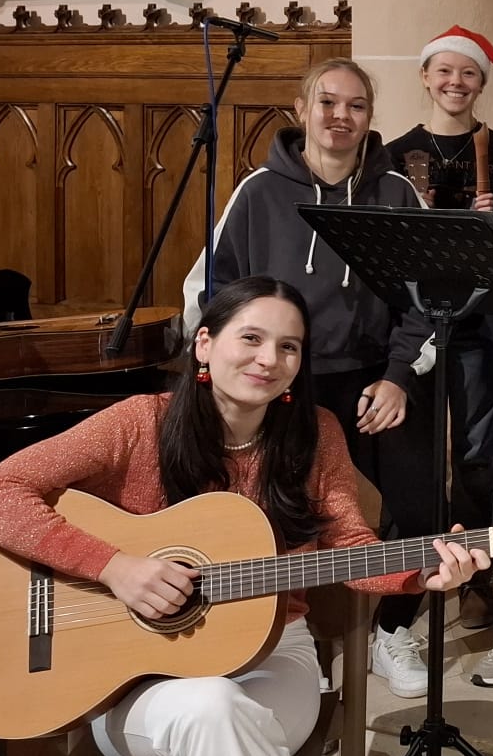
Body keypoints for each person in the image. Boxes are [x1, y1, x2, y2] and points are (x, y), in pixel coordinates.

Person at [0, 276, 486, 756]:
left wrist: (423, 572)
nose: (270, 359)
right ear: (205, 343)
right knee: (208, 707)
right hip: (134, 693)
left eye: (289, 347)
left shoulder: (314, 435)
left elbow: (352, 551)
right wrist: (113, 565)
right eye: (252, 338)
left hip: (274, 661)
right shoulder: (137, 424)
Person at [184, 59, 439, 699]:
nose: (339, 117)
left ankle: (390, 629)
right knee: (291, 515)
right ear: (301, 109)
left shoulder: (395, 193)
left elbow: (424, 301)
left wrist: (399, 377)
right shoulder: (260, 191)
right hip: (285, 382)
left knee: (413, 505)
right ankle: (306, 637)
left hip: (376, 378)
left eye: (355, 106)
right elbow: (220, 291)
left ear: (369, 118)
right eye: (326, 103)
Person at [386, 25, 493, 688]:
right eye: (445, 72)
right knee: (419, 470)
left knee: (483, 461)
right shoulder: (394, 155)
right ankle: (404, 602)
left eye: (469, 75)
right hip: (418, 328)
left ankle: (486, 581)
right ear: (426, 78)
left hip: (486, 329)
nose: (456, 83)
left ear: (483, 84)